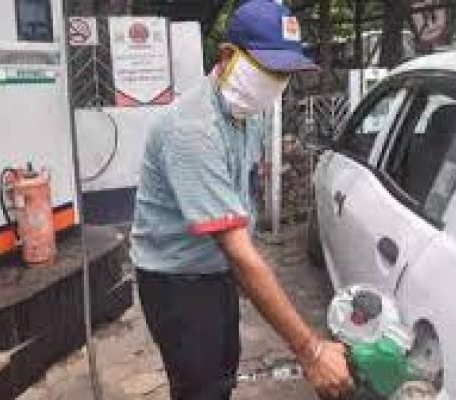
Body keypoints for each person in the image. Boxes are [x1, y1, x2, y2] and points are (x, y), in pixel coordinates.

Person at [129, 1, 354, 398]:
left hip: (216, 268)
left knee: (222, 373)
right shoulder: (192, 130)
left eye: (285, 73)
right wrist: (310, 350)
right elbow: (239, 252)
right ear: (228, 56)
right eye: (268, 69)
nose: (276, 82)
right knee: (200, 387)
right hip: (176, 278)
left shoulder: (250, 114)